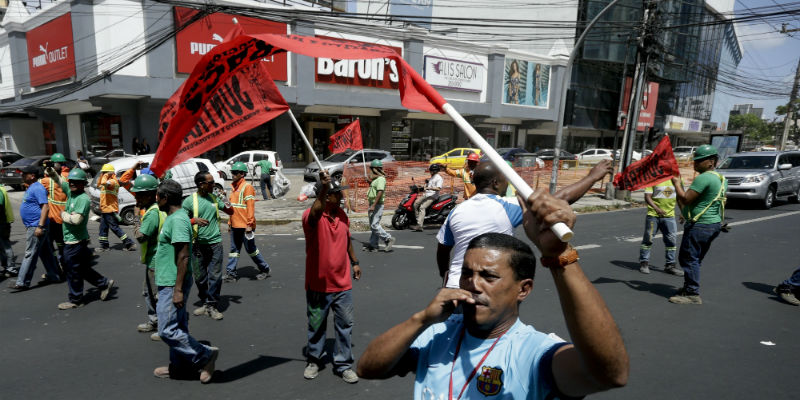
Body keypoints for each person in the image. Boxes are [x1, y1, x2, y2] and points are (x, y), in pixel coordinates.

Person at [356, 192, 629, 399]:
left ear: (524, 289)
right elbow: (368, 368)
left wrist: (559, 255)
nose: (472, 284)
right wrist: (421, 319)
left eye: (488, 276)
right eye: (466, 273)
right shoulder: (437, 334)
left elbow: (610, 374)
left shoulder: (534, 352)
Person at [437, 160, 612, 288]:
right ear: (496, 183)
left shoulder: (456, 211)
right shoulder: (507, 207)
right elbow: (560, 199)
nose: (508, 183)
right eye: (505, 179)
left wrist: (447, 276)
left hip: (454, 287)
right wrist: (592, 177)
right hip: (487, 289)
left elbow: (443, 251)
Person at [152, 179, 218, 383]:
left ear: (165, 198)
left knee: (166, 330)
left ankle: (205, 355)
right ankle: (178, 367)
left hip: (173, 283)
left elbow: (183, 256)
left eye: (157, 196)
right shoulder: (174, 218)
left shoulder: (178, 220)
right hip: (168, 280)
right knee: (178, 326)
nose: (156, 199)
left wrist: (177, 289)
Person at [302, 171, 362, 384]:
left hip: (342, 285)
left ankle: (344, 364)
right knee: (316, 325)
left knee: (345, 326)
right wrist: (326, 188)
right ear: (327, 196)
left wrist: (354, 262)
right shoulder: (312, 217)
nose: (342, 197)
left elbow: (346, 239)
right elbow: (316, 212)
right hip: (318, 285)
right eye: (338, 194)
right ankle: (314, 360)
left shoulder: (342, 215)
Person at [670, 144, 727, 305]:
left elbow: (686, 198)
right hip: (712, 224)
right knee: (695, 259)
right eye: (695, 161)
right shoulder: (720, 178)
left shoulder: (704, 178)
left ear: (711, 161)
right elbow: (711, 202)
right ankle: (688, 288)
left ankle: (692, 293)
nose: (695, 164)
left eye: (699, 161)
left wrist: (676, 183)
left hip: (700, 226)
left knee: (688, 259)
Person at [58, 168, 114, 310]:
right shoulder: (71, 192)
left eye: (76, 182)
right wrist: (52, 171)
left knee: (72, 271)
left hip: (74, 242)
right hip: (77, 240)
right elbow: (59, 181)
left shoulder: (83, 199)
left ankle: (76, 299)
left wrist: (63, 214)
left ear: (83, 184)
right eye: (71, 182)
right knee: (82, 268)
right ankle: (103, 283)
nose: (72, 184)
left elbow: (76, 220)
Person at [185, 171, 233, 320]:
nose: (214, 185)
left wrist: (224, 196)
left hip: (215, 244)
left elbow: (230, 210)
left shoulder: (214, 198)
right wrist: (194, 221)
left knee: (215, 276)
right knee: (200, 277)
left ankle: (211, 305)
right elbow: (178, 220)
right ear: (201, 185)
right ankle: (205, 301)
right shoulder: (189, 201)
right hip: (198, 245)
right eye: (211, 183)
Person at [9, 166, 61, 290]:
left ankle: (22, 282)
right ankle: (55, 276)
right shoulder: (31, 187)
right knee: (46, 253)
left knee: (29, 254)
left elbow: (45, 207)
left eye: (24, 174)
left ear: (32, 176)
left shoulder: (37, 188)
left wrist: (40, 226)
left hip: (36, 226)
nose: (22, 176)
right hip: (34, 225)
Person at [223, 162, 271, 282]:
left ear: (242, 174)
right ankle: (231, 273)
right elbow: (232, 208)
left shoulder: (247, 187)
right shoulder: (234, 188)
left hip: (245, 226)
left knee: (251, 249)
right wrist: (229, 223)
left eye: (235, 173)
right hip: (235, 225)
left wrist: (249, 225)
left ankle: (264, 268)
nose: (233, 174)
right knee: (234, 250)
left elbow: (250, 207)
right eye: (232, 172)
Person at [131, 174, 165, 340]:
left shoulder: (152, 213)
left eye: (139, 194)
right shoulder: (156, 209)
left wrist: (136, 217)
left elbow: (141, 237)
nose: (136, 198)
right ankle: (154, 321)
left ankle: (163, 327)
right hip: (153, 259)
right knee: (148, 293)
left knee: (157, 296)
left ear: (150, 194)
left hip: (156, 261)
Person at [638, 179, 684, 276]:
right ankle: (644, 263)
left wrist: (682, 212)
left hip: (669, 216)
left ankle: (670, 265)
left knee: (671, 241)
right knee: (648, 240)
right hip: (653, 216)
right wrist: (656, 208)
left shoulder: (677, 180)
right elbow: (647, 196)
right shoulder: (653, 179)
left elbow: (680, 197)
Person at [96, 163, 136, 252]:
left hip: (109, 210)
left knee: (114, 228)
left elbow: (103, 182)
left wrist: (107, 174)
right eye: (102, 173)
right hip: (105, 209)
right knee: (103, 228)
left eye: (104, 173)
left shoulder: (112, 182)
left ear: (108, 173)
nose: (102, 174)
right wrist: (104, 174)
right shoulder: (108, 182)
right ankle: (104, 246)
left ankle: (129, 243)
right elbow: (99, 184)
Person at [41, 154, 69, 270]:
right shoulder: (68, 176)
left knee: (50, 244)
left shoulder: (48, 181)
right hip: (65, 218)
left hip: (54, 218)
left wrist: (45, 167)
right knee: (62, 244)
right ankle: (64, 264)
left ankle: (57, 267)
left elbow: (36, 185)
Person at [364, 159, 395, 252]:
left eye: (372, 169)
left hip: (377, 205)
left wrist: (373, 205)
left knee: (374, 225)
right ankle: (374, 245)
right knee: (373, 225)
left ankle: (388, 238)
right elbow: (375, 188)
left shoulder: (381, 179)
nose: (370, 170)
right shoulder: (376, 179)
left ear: (375, 169)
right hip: (373, 203)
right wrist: (369, 182)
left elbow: (380, 192)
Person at [411, 164, 443, 232]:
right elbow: (428, 185)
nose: (430, 171)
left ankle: (420, 226)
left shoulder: (439, 178)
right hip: (426, 194)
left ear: (434, 171)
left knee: (422, 207)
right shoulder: (432, 177)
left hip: (433, 196)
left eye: (431, 170)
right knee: (415, 204)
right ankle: (418, 221)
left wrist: (429, 188)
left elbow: (438, 188)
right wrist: (422, 186)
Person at [0, 182, 15, 277]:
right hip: (3, 222)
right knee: (3, 247)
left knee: (6, 246)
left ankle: (10, 268)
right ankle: (7, 267)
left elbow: (0, 209)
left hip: (2, 223)